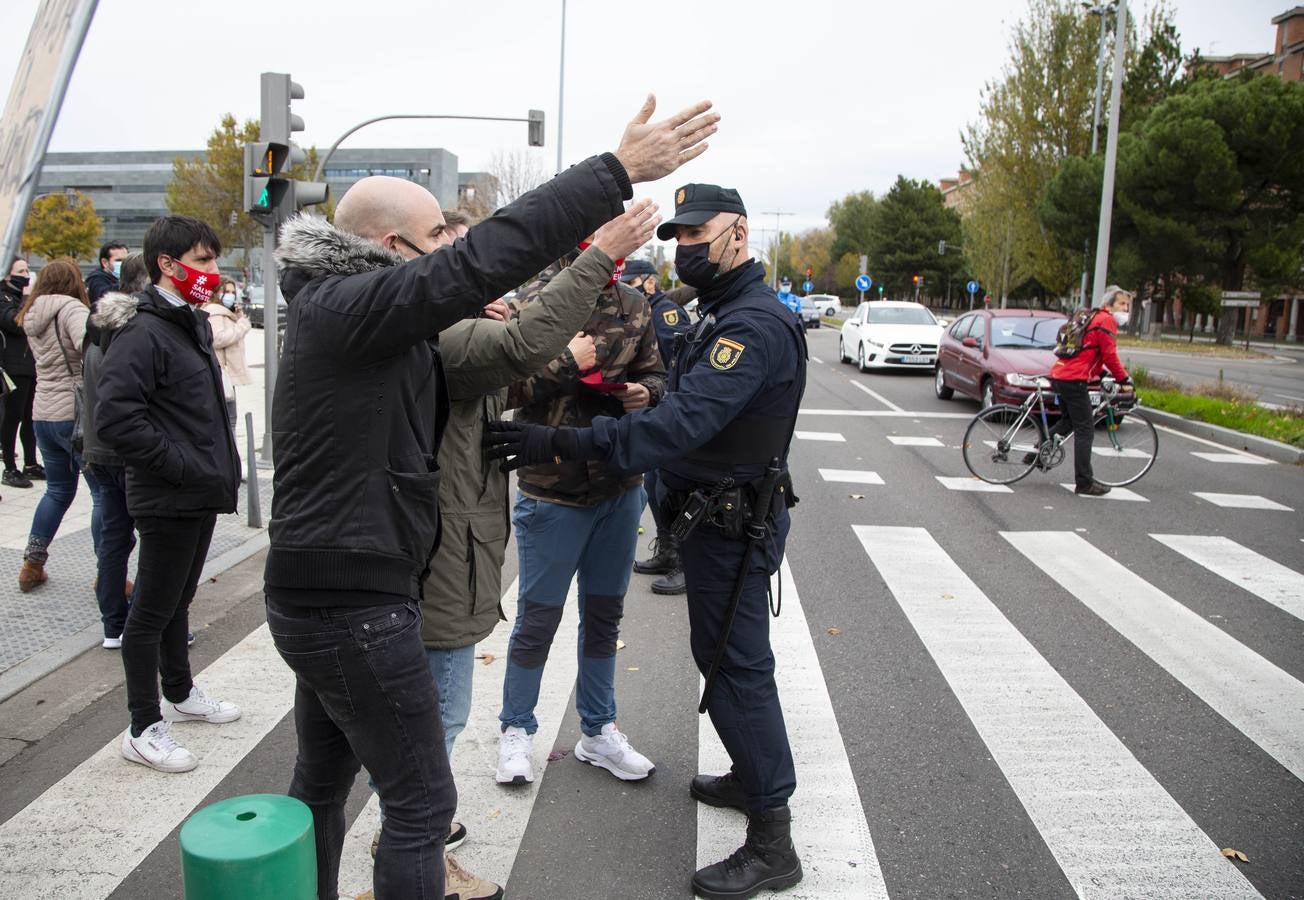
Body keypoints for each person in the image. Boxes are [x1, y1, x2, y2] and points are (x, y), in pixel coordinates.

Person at [265, 94, 718, 900]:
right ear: (385, 245)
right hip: (351, 602)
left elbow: (490, 317)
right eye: (436, 234)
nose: (450, 246)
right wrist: (614, 178)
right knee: (421, 802)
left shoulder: (353, 315)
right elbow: (483, 268)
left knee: (324, 785)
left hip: (330, 591)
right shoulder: (352, 306)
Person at [484, 183, 807, 900]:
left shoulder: (750, 326)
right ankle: (749, 776)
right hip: (706, 515)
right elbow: (670, 401)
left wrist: (561, 437)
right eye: (680, 235)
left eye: (700, 235)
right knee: (721, 659)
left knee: (736, 668)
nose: (686, 246)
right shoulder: (721, 311)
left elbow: (676, 426)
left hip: (728, 524)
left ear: (739, 235)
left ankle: (773, 840)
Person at [494, 223, 667, 788]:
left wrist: (647, 393)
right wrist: (567, 362)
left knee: (604, 616)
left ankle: (598, 731)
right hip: (552, 490)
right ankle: (516, 730)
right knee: (537, 619)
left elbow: (656, 375)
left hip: (619, 487)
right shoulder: (533, 300)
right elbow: (504, 389)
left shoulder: (635, 305)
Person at [95, 216, 242, 774]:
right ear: (167, 264)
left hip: (197, 492)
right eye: (202, 260)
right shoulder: (144, 332)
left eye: (211, 260)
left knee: (178, 602)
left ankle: (180, 694)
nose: (212, 271)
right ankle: (142, 726)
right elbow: (116, 418)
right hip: (168, 496)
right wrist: (181, 464)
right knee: (150, 613)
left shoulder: (190, 324)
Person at [16, 259, 101, 592]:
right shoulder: (71, 309)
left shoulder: (32, 311)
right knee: (102, 494)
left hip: (43, 412)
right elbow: (92, 351)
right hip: (75, 412)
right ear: (73, 281)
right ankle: (107, 572)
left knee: (57, 490)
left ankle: (32, 563)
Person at [82, 253, 149, 649]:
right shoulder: (133, 331)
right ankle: (147, 623)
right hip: (128, 453)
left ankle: (113, 625)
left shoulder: (97, 329)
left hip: (98, 448)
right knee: (156, 544)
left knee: (113, 541)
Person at [622, 258, 695, 595]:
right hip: (651, 407)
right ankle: (666, 551)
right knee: (654, 486)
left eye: (633, 280)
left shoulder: (665, 313)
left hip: (669, 406)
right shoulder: (639, 309)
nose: (630, 285)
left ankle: (683, 559)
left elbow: (674, 362)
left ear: (649, 282)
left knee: (670, 488)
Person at [1045, 286, 1133, 496]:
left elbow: (1088, 352)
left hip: (1060, 373)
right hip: (1074, 379)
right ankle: (1084, 482)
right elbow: (1110, 355)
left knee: (1068, 422)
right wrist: (1124, 379)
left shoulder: (1092, 316)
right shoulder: (1106, 321)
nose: (1126, 309)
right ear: (1109, 304)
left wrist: (1101, 374)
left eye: (1128, 305)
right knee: (1085, 429)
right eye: (1122, 304)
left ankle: (1036, 452)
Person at [0, 257, 42, 488]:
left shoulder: (19, 298)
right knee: (12, 417)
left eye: (27, 269)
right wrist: (28, 297)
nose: (26, 274)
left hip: (31, 364)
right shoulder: (4, 297)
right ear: (8, 275)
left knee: (30, 417)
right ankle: (10, 467)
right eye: (21, 270)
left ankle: (31, 463)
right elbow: (15, 322)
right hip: (13, 366)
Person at [202, 277, 253, 432]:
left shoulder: (223, 312)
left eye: (232, 292)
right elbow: (218, 338)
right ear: (217, 293)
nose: (230, 295)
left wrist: (237, 317)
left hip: (225, 375)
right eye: (226, 291)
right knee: (229, 422)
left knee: (229, 421)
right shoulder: (215, 313)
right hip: (222, 375)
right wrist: (242, 326)